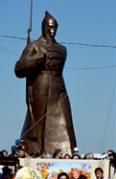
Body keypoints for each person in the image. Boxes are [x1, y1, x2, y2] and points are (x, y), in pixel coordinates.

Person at [14, 12, 77, 156]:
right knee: (38, 123)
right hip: (40, 86)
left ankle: (67, 152)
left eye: (54, 27)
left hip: (59, 88)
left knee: (66, 121)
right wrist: (35, 60)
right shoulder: (34, 46)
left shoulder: (62, 49)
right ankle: (37, 151)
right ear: (43, 27)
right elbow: (18, 69)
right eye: (49, 27)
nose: (52, 31)